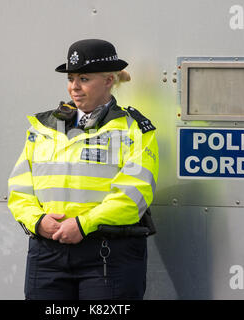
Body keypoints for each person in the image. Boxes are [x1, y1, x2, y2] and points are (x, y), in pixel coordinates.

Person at [8, 39, 159, 300]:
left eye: (84, 79)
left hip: (108, 253)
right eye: (71, 78)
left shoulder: (133, 129)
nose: (74, 87)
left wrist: (83, 224)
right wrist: (37, 221)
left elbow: (135, 195)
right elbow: (19, 188)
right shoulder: (43, 126)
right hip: (48, 252)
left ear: (109, 80)